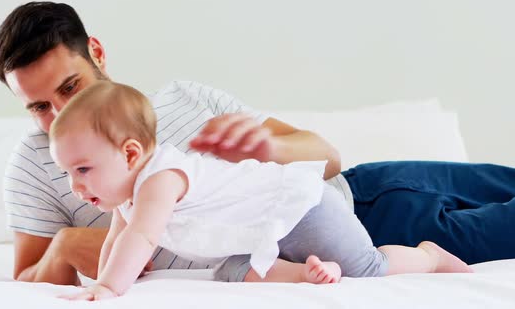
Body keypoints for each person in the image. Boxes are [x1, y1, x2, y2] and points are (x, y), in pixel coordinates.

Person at [0, 1, 515, 286]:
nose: (59, 115)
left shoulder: (183, 98)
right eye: (38, 107)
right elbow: (28, 277)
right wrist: (66, 245)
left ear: (97, 53)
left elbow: (328, 156)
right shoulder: (38, 165)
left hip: (357, 195)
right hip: (311, 248)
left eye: (69, 88)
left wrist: (266, 147)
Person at [50, 81, 471, 300]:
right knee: (233, 272)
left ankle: (428, 256)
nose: (75, 184)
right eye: (68, 172)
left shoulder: (161, 178)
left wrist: (108, 288)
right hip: (255, 237)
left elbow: (139, 238)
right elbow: (117, 238)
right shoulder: (128, 196)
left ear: (130, 153)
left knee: (367, 268)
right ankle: (304, 275)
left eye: (83, 168)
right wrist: (102, 281)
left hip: (301, 211)